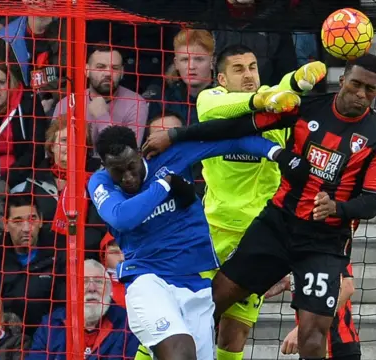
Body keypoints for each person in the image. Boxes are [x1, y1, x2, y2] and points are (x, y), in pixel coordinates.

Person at [143, 53, 376, 360]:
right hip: (277, 225)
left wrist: (337, 208)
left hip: (324, 242)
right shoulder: (306, 108)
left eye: (370, 90)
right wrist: (174, 135)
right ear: (343, 81)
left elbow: (372, 201)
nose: (360, 94)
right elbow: (236, 128)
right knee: (212, 301)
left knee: (313, 338)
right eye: (355, 84)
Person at [88, 125, 297, 360]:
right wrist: (166, 183)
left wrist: (278, 153)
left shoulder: (171, 156)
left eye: (131, 167)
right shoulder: (100, 183)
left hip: (194, 284)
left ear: (139, 153)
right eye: (118, 172)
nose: (127, 178)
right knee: (180, 350)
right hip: (148, 280)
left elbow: (232, 142)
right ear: (105, 167)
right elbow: (123, 217)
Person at [189, 44, 326, 360]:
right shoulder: (211, 99)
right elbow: (213, 111)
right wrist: (261, 99)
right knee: (188, 321)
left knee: (234, 333)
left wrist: (300, 79)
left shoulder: (275, 101)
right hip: (209, 234)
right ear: (221, 77)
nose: (248, 74)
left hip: (256, 237)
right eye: (238, 69)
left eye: (252, 67)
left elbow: (286, 88)